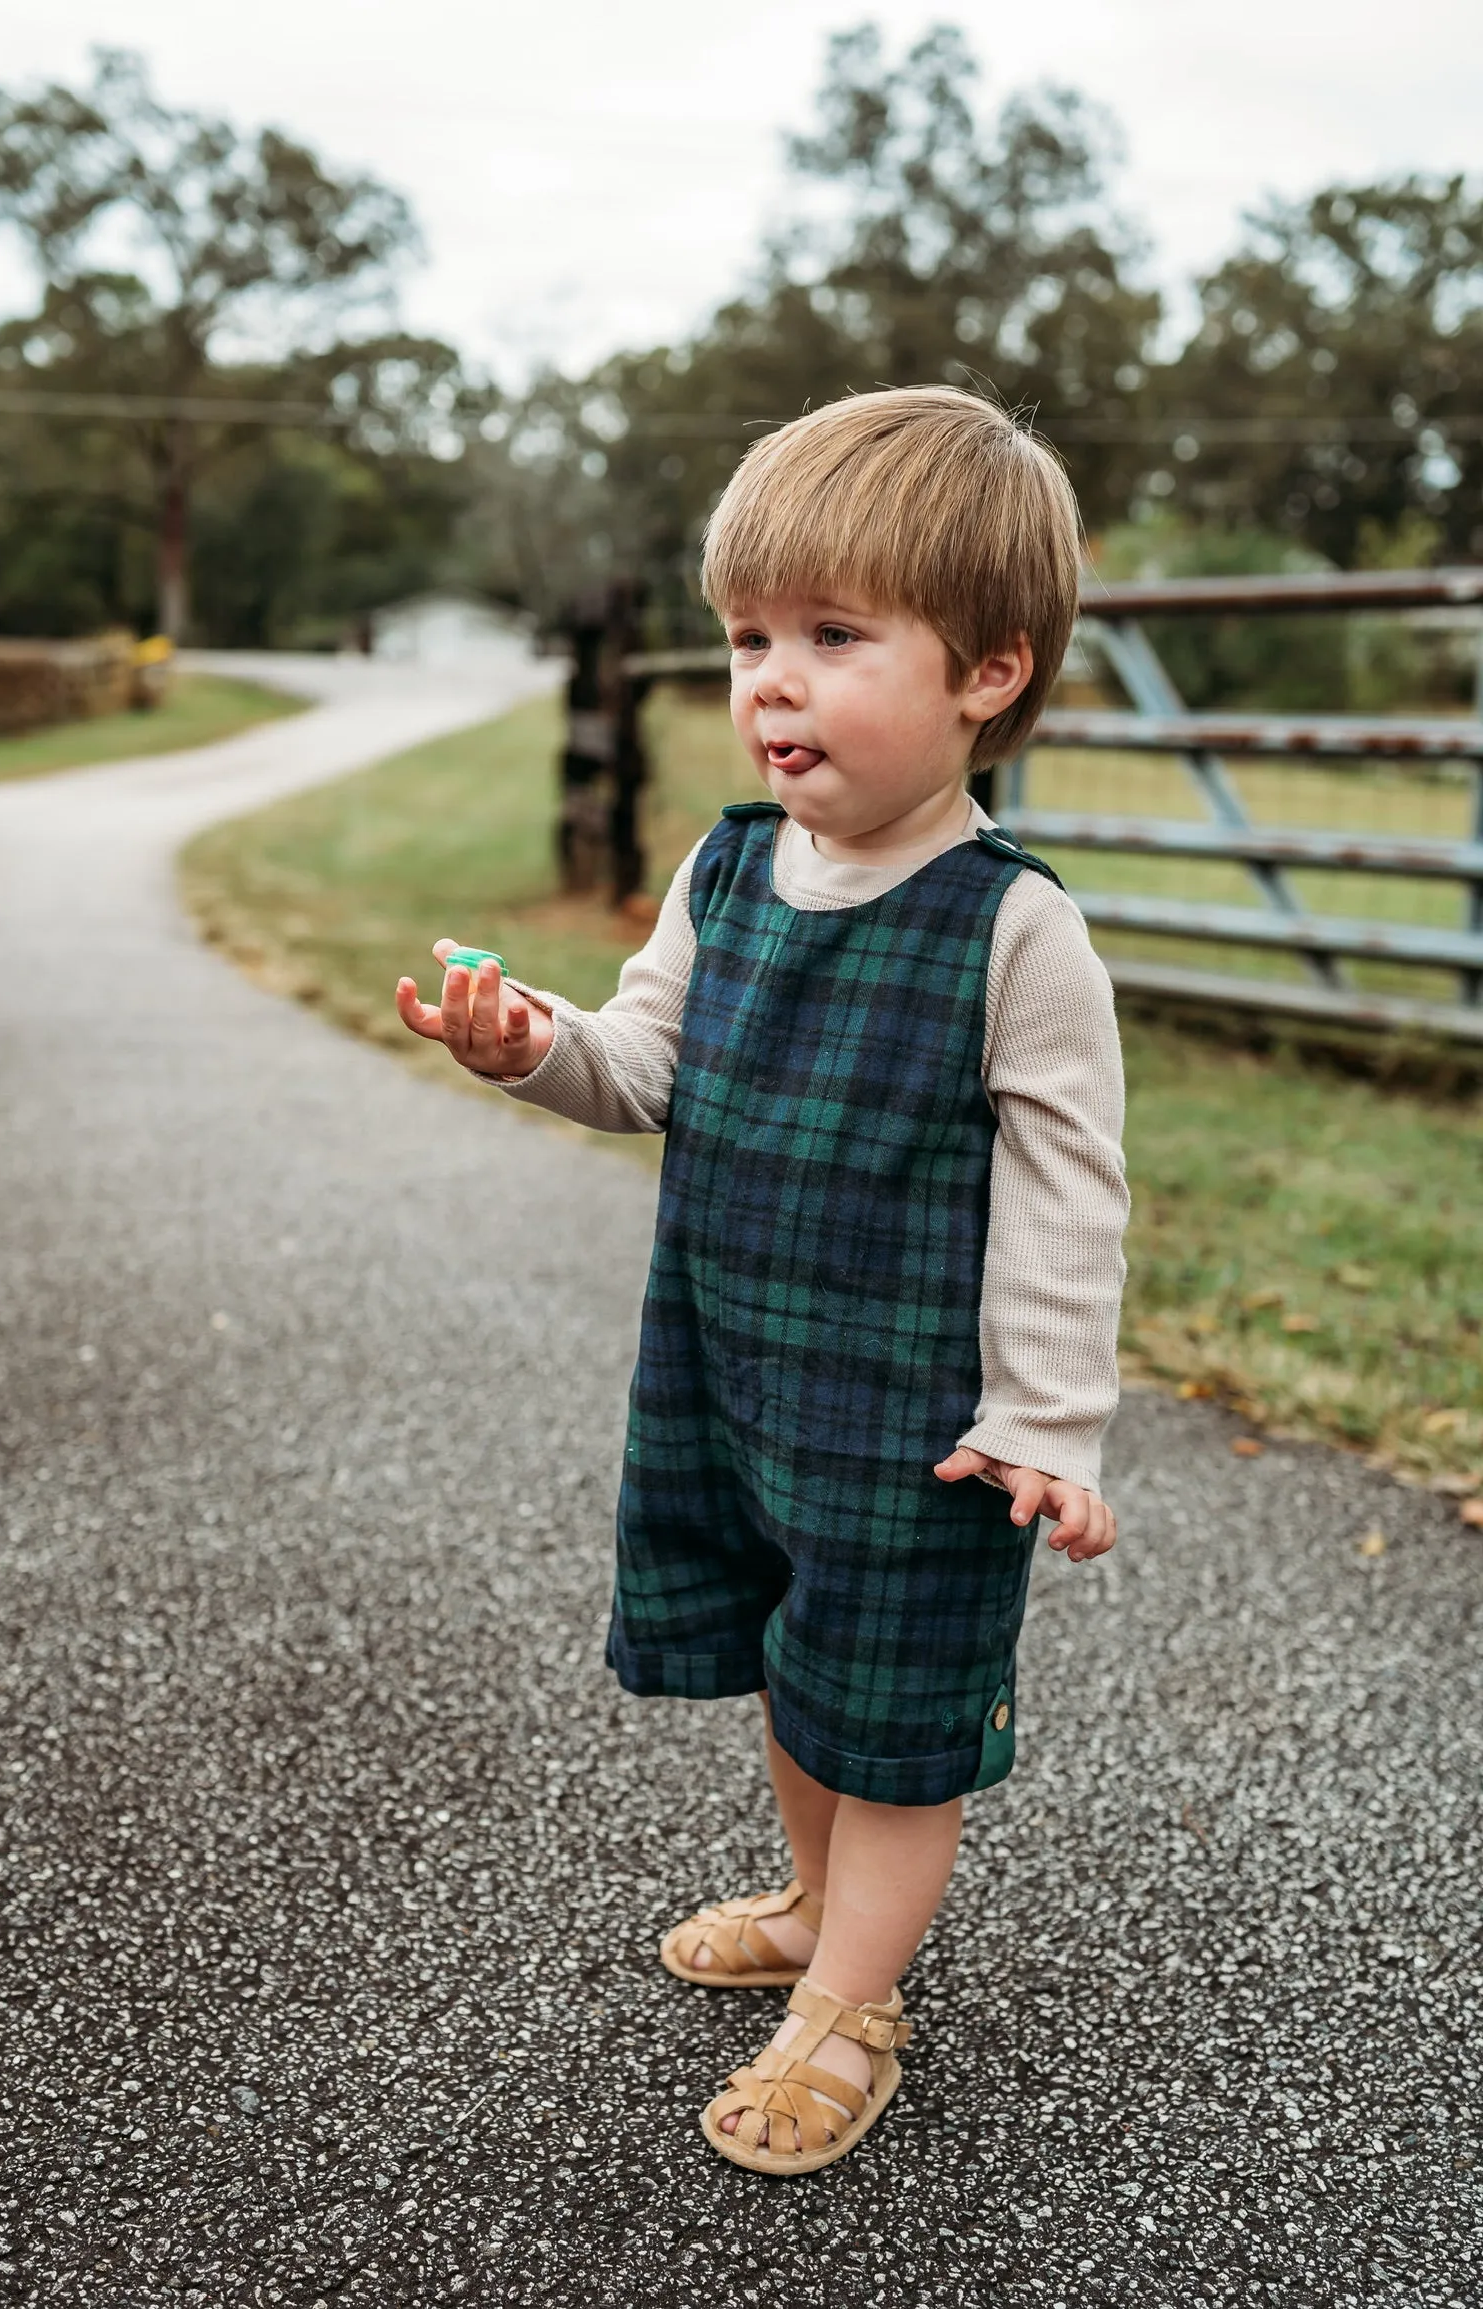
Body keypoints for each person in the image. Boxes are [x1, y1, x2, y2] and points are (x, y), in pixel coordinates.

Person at [395, 387, 1128, 2177]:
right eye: (748, 641)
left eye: (832, 637)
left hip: (920, 1426)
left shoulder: (1013, 928)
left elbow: (1066, 1189)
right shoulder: (725, 873)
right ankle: (818, 1911)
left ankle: (853, 2007)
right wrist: (527, 1047)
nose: (771, 683)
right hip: (734, 1371)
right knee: (801, 1674)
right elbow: (644, 1067)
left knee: (891, 1722)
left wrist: (1045, 1418)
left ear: (987, 671)